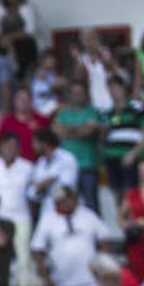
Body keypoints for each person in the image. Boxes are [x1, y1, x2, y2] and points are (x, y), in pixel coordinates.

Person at [0, 132, 35, 285]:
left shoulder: (28, 167)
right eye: (7, 146)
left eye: (13, 146)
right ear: (1, 148)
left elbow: (33, 196)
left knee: (22, 254)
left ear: (19, 149)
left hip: (21, 217)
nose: (10, 150)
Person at [52, 79, 104, 214]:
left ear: (86, 94)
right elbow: (57, 132)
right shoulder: (63, 113)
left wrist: (68, 129)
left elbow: (88, 132)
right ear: (70, 95)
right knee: (63, 202)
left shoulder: (93, 112)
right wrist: (81, 128)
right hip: (66, 168)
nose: (77, 96)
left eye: (80, 93)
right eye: (74, 93)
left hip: (88, 165)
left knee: (91, 204)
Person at [102, 75, 144, 202]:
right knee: (116, 193)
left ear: (123, 89)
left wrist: (133, 154)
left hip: (129, 157)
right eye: (111, 90)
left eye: (116, 89)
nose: (114, 93)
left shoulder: (136, 109)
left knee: (130, 193)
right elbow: (104, 138)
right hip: (111, 157)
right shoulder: (108, 112)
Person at [27, 127, 79, 220]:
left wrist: (43, 188)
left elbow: (67, 189)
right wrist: (47, 184)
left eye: (35, 143)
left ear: (44, 143)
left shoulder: (67, 159)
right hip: (45, 213)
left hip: (65, 212)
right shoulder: (40, 163)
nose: (33, 146)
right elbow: (31, 194)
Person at [0, 0, 38, 78]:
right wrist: (7, 43)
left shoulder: (28, 8)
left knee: (27, 45)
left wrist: (10, 37)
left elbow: (30, 31)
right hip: (3, 42)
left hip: (23, 42)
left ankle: (23, 77)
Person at [0, 86, 49, 162]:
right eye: (20, 99)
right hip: (13, 166)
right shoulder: (7, 122)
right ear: (14, 101)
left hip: (37, 165)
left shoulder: (42, 121)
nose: (23, 102)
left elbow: (49, 146)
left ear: (32, 101)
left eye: (26, 99)